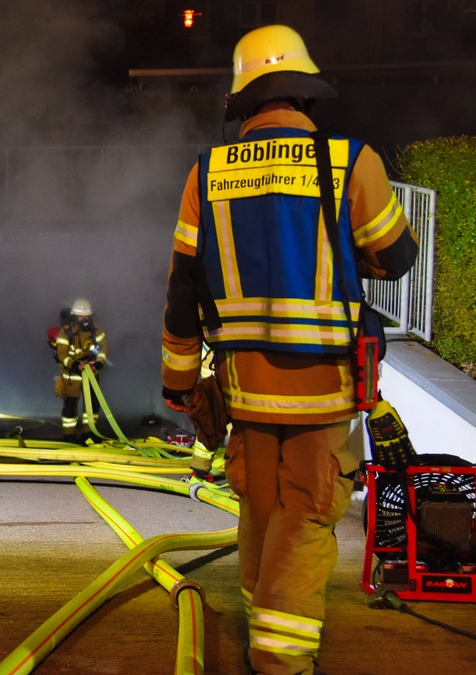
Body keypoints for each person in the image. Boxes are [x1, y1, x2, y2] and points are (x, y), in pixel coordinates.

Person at [160, 25, 419, 675]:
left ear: (244, 98)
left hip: (244, 392)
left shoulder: (208, 173)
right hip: (325, 393)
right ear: (304, 93)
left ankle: (263, 624)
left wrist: (183, 385)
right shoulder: (349, 162)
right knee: (306, 513)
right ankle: (279, 657)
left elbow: (183, 291)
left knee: (261, 506)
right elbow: (397, 258)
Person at [49, 298, 108, 443]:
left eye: (87, 316)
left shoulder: (95, 329)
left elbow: (104, 346)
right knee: (70, 406)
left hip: (91, 372)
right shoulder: (66, 331)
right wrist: (75, 365)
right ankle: (69, 435)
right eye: (81, 316)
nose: (85, 319)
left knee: (93, 404)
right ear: (75, 316)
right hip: (72, 375)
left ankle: (90, 432)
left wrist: (99, 363)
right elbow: (62, 354)